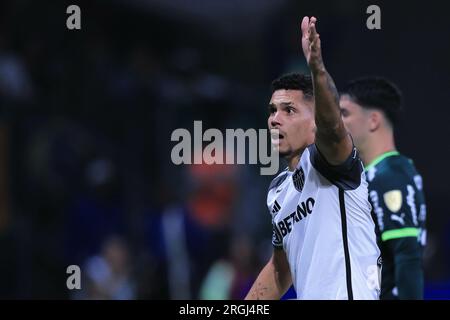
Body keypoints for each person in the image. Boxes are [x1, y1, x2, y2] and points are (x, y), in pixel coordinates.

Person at [245, 16, 380, 300]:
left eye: (289, 110)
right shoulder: (277, 191)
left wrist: (317, 68)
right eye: (272, 110)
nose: (274, 119)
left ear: (314, 121)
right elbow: (281, 269)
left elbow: (332, 127)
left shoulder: (329, 163)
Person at [340, 77, 427, 299]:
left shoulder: (391, 175)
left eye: (345, 113)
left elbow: (407, 256)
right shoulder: (372, 175)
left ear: (373, 121)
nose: (337, 122)